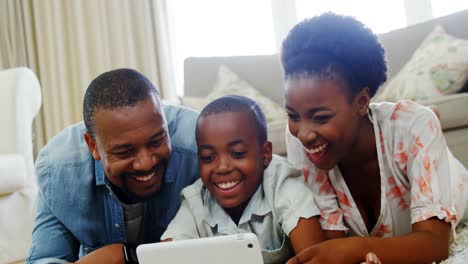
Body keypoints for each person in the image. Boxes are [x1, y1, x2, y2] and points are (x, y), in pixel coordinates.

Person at [280, 13, 468, 264]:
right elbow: (328, 238)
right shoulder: (301, 141)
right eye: (293, 115)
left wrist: (353, 248)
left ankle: (423, 129)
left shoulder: (415, 125)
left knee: (420, 124)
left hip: (455, 184)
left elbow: (435, 244)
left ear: (361, 102)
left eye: (320, 117)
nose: (303, 133)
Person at [26, 69, 200, 264]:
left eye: (156, 141)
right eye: (125, 152)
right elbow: (45, 259)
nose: (146, 163)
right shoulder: (58, 169)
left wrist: (128, 257)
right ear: (93, 146)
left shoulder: (201, 144)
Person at [160, 95, 326, 264]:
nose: (222, 167)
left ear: (265, 154)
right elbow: (165, 256)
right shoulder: (196, 200)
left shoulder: (282, 180)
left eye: (238, 153)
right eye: (208, 157)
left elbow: (313, 255)